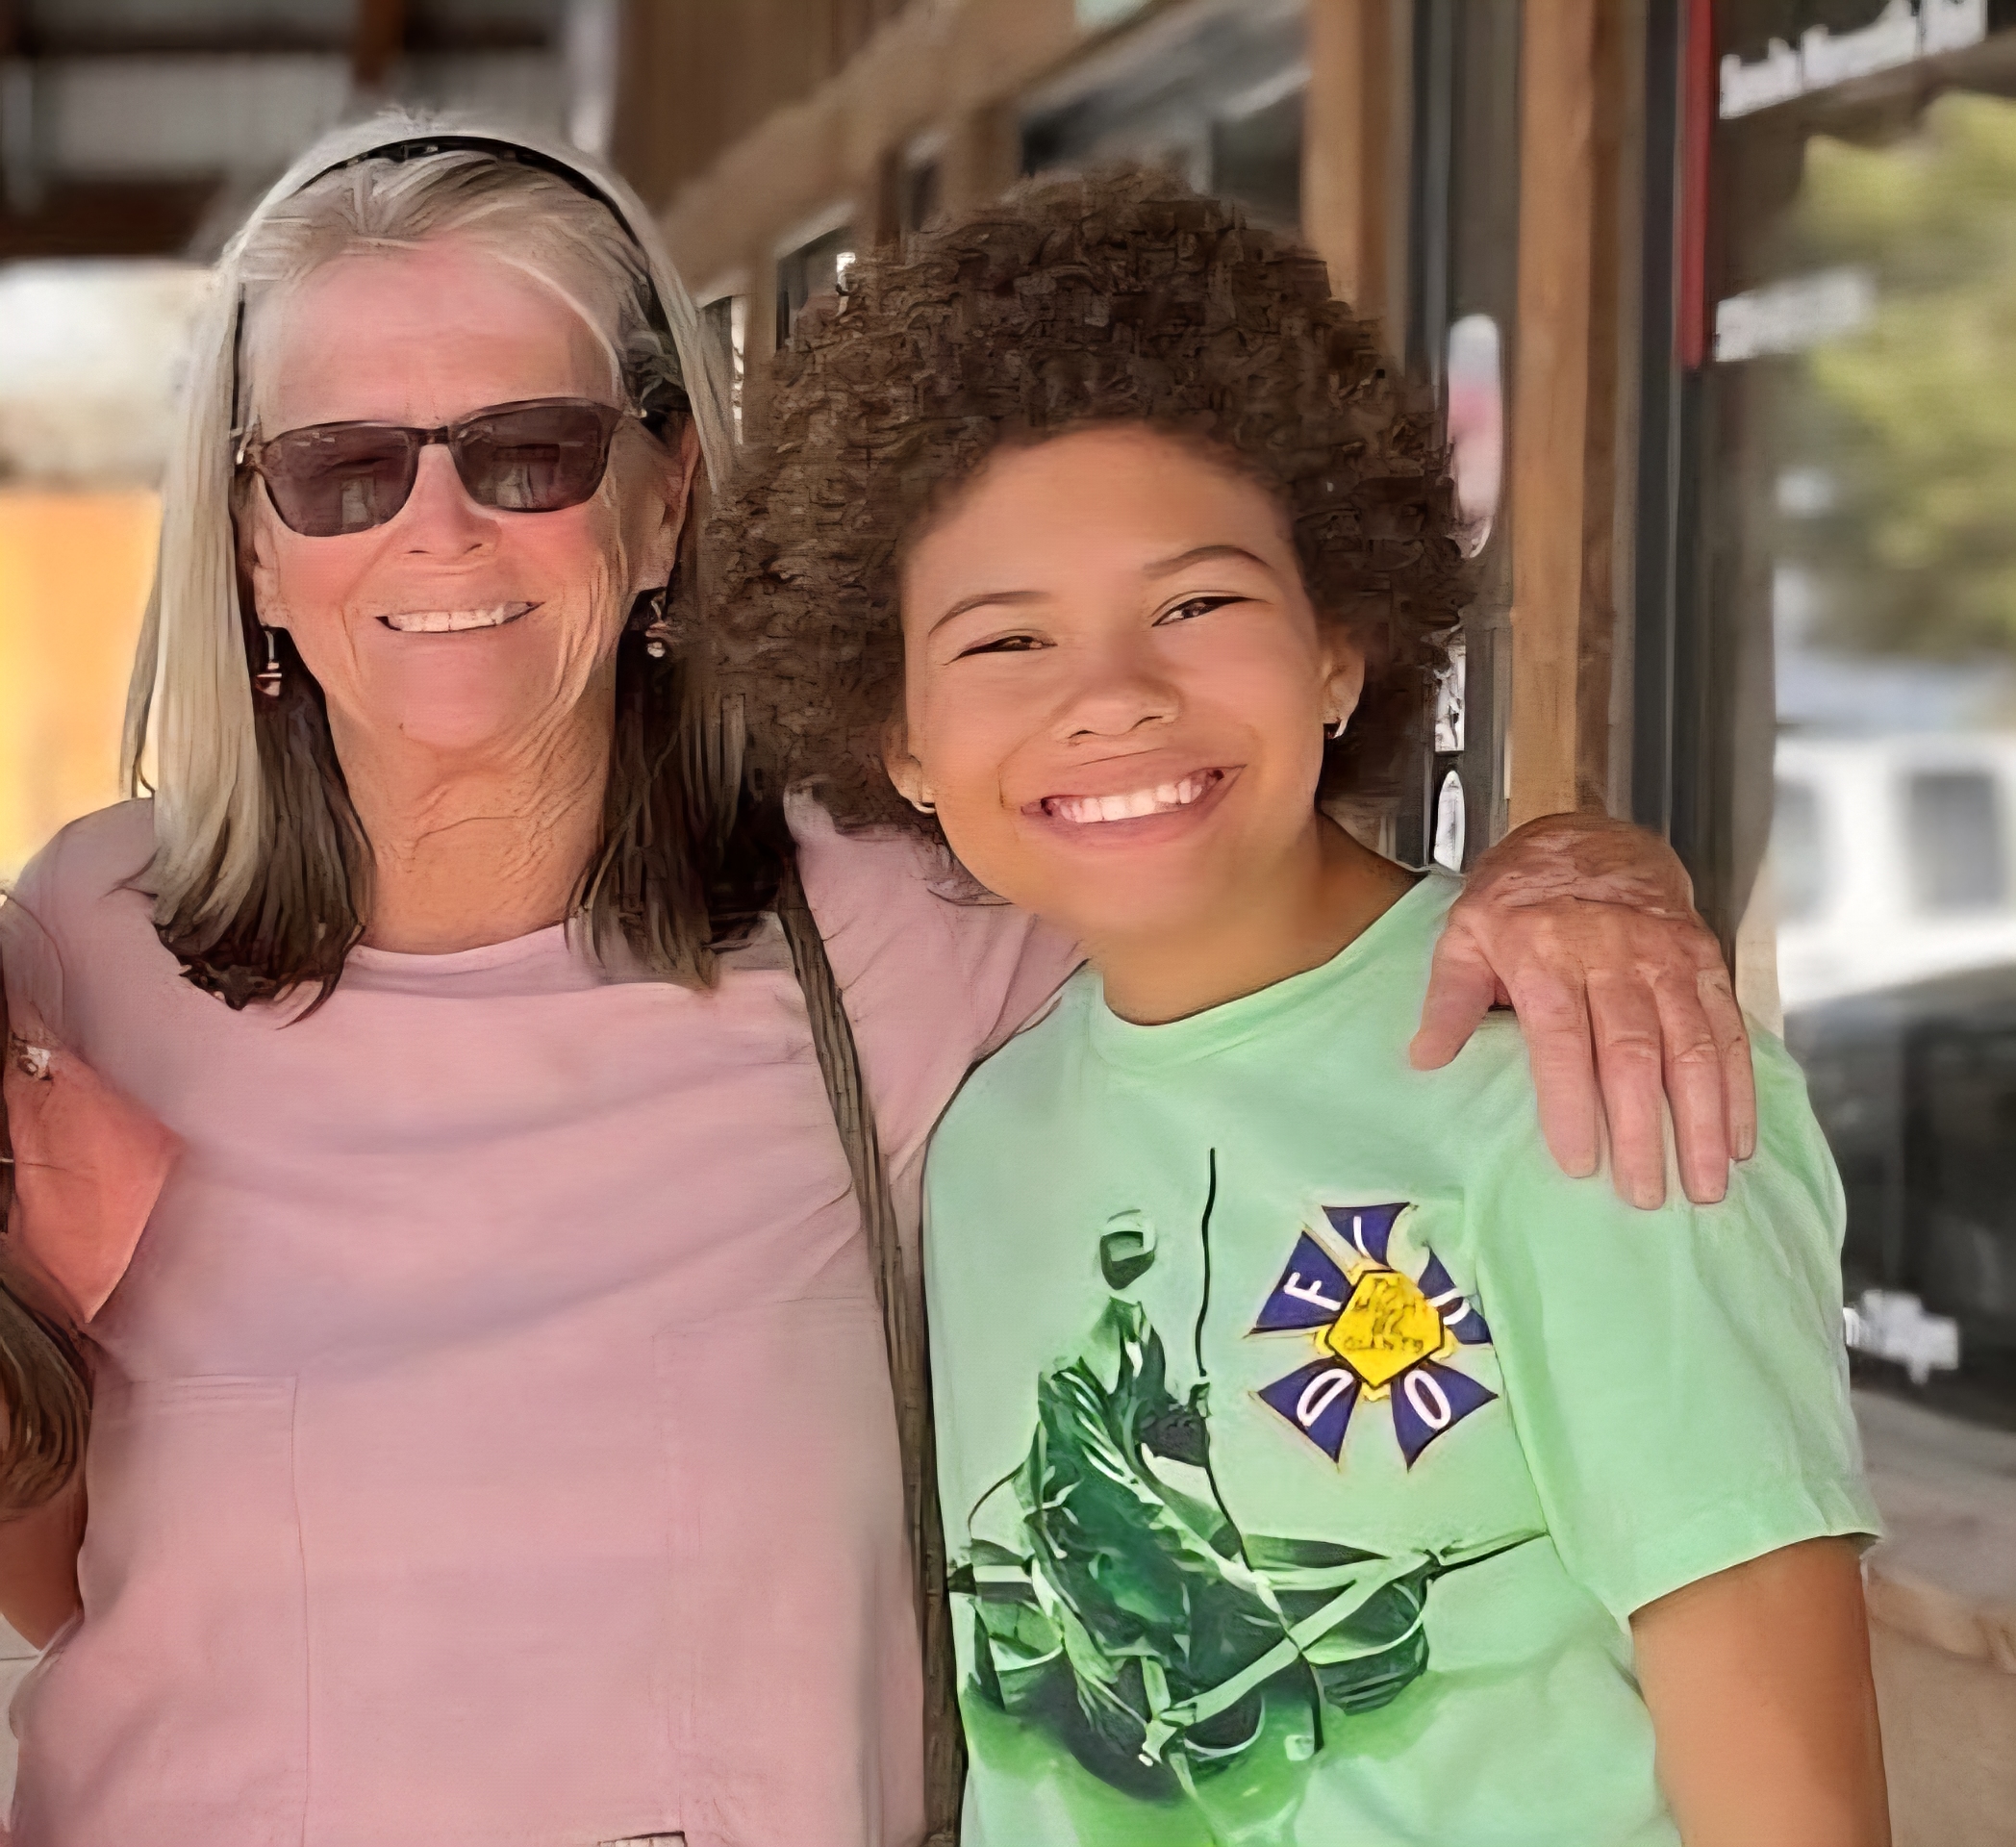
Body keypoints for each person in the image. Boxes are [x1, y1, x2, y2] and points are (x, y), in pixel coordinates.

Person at [0, 113, 1754, 1847]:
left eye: (531, 453)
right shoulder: (85, 954)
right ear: (251, 542)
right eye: (343, 470)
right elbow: (47, 1553)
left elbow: (1268, 894)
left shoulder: (903, 920)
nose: (439, 528)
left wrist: (1577, 866)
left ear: (665, 499)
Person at [706, 169, 1888, 1846]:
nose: (1115, 696)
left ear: (1340, 645)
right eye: (1005, 643)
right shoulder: (982, 1141)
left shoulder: (1587, 1070)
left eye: (1197, 605)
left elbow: (1796, 1810)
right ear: (897, 739)